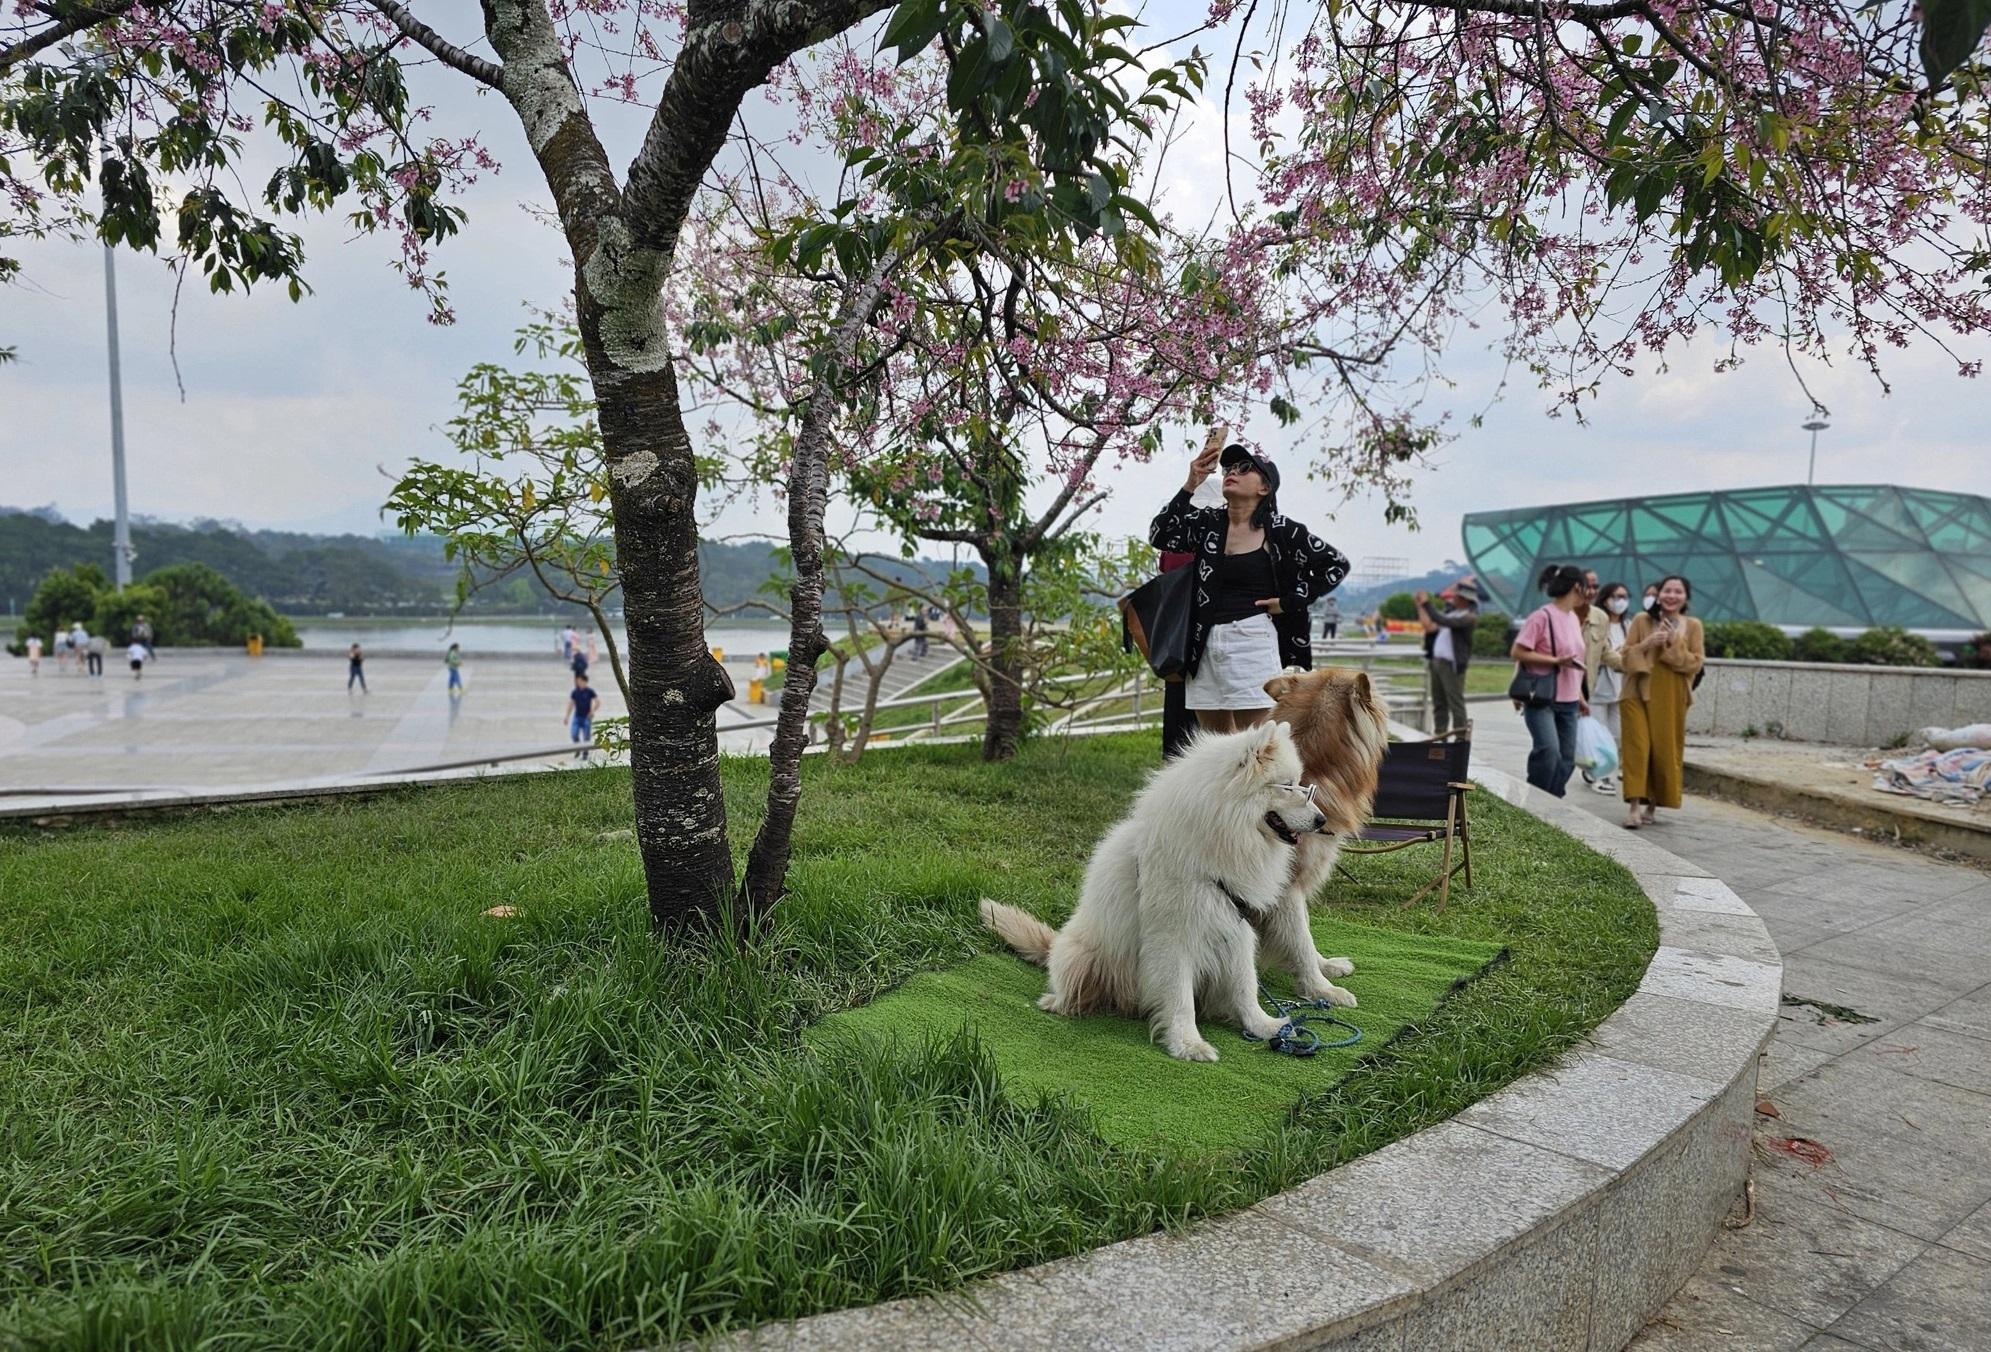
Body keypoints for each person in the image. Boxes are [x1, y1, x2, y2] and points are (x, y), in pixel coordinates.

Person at [1149, 427, 1350, 733]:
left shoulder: (1281, 530)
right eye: (1229, 468)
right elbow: (1161, 534)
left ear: (1265, 488)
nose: (1233, 472)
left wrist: (1290, 601)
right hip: (1203, 643)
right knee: (1215, 746)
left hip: (1251, 639)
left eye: (1245, 469)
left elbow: (1334, 564)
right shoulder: (1207, 524)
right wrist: (1191, 484)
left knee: (1255, 743)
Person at [1619, 575, 1705, 829]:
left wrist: (1672, 643)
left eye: (1678, 591)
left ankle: (1652, 805)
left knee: (1664, 750)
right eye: (1667, 590)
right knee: (1638, 748)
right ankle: (1634, 808)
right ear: (1658, 594)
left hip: (1671, 694)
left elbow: (1695, 663)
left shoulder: (1692, 625)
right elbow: (1625, 657)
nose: (1671, 596)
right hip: (1636, 691)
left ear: (1685, 597)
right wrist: (1647, 643)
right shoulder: (1641, 620)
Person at [1510, 563, 1590, 796]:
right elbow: (1518, 652)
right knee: (1548, 751)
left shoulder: (1573, 618)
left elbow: (1575, 662)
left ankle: (1552, 800)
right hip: (1542, 697)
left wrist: (1581, 697)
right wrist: (1555, 661)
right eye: (1585, 587)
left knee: (1567, 759)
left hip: (1570, 701)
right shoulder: (1541, 617)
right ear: (1577, 586)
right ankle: (1535, 801)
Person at [1585, 581, 1634, 794]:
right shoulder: (1598, 622)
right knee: (1599, 735)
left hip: (1620, 688)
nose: (1620, 601)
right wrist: (1616, 654)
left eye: (1624, 596)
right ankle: (1600, 776)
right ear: (1606, 599)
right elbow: (1596, 653)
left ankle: (1602, 771)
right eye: (1616, 596)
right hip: (1597, 689)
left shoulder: (1628, 626)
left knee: (1616, 735)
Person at [1416, 577, 1480, 737]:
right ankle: (1440, 735)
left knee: (1455, 703)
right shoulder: (1453, 611)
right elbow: (1433, 622)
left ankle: (1460, 738)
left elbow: (1440, 620)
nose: (1453, 598)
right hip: (1438, 662)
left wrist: (1426, 603)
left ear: (1464, 599)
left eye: (1456, 596)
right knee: (1439, 703)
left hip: (1452, 665)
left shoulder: (1468, 617)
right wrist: (1421, 605)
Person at [567, 672, 599, 758]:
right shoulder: (575, 692)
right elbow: (571, 704)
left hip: (586, 717)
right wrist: (567, 716)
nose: (578, 683)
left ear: (585, 681)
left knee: (586, 736)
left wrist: (592, 711)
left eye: (580, 681)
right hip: (577, 716)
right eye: (578, 681)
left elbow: (597, 702)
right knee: (574, 734)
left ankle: (585, 752)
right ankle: (577, 748)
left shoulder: (589, 691)